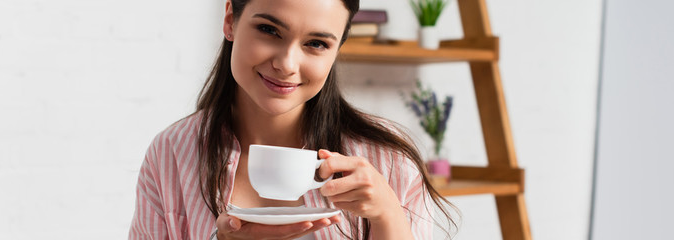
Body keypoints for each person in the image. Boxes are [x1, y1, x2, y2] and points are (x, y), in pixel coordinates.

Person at [129, 0, 456, 239]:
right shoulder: (171, 152)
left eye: (316, 43)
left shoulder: (387, 161)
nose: (286, 64)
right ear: (230, 20)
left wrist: (388, 216)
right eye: (269, 30)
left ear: (336, 49)